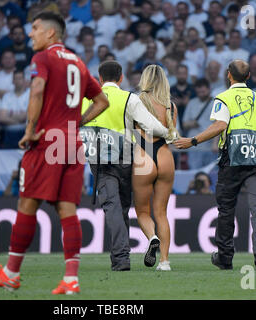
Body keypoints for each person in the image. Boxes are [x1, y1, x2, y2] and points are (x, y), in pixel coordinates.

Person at [0, 12, 109, 295]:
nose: (30, 33)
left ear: (51, 33)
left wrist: (29, 129)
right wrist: (78, 123)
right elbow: (102, 101)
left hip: (47, 141)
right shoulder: (78, 62)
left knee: (27, 203)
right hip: (71, 142)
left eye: (35, 28)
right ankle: (71, 279)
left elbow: (36, 90)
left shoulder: (43, 59)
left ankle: (11, 274)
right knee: (67, 209)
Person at [174, 60, 256, 271]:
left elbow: (220, 125)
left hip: (233, 159)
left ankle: (225, 257)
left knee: (227, 208)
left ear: (229, 75)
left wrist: (193, 141)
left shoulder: (223, 97)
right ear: (248, 77)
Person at [80, 60, 173, 271]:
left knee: (112, 207)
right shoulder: (128, 98)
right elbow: (150, 125)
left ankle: (121, 258)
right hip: (125, 160)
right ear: (121, 78)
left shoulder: (87, 100)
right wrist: (171, 135)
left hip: (99, 160)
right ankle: (122, 258)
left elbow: (73, 126)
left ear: (100, 78)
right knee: (121, 206)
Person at [132, 64, 178, 271]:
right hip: (165, 156)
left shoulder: (136, 101)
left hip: (143, 156)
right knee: (162, 213)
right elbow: (170, 133)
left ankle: (152, 237)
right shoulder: (171, 105)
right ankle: (165, 261)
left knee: (142, 211)